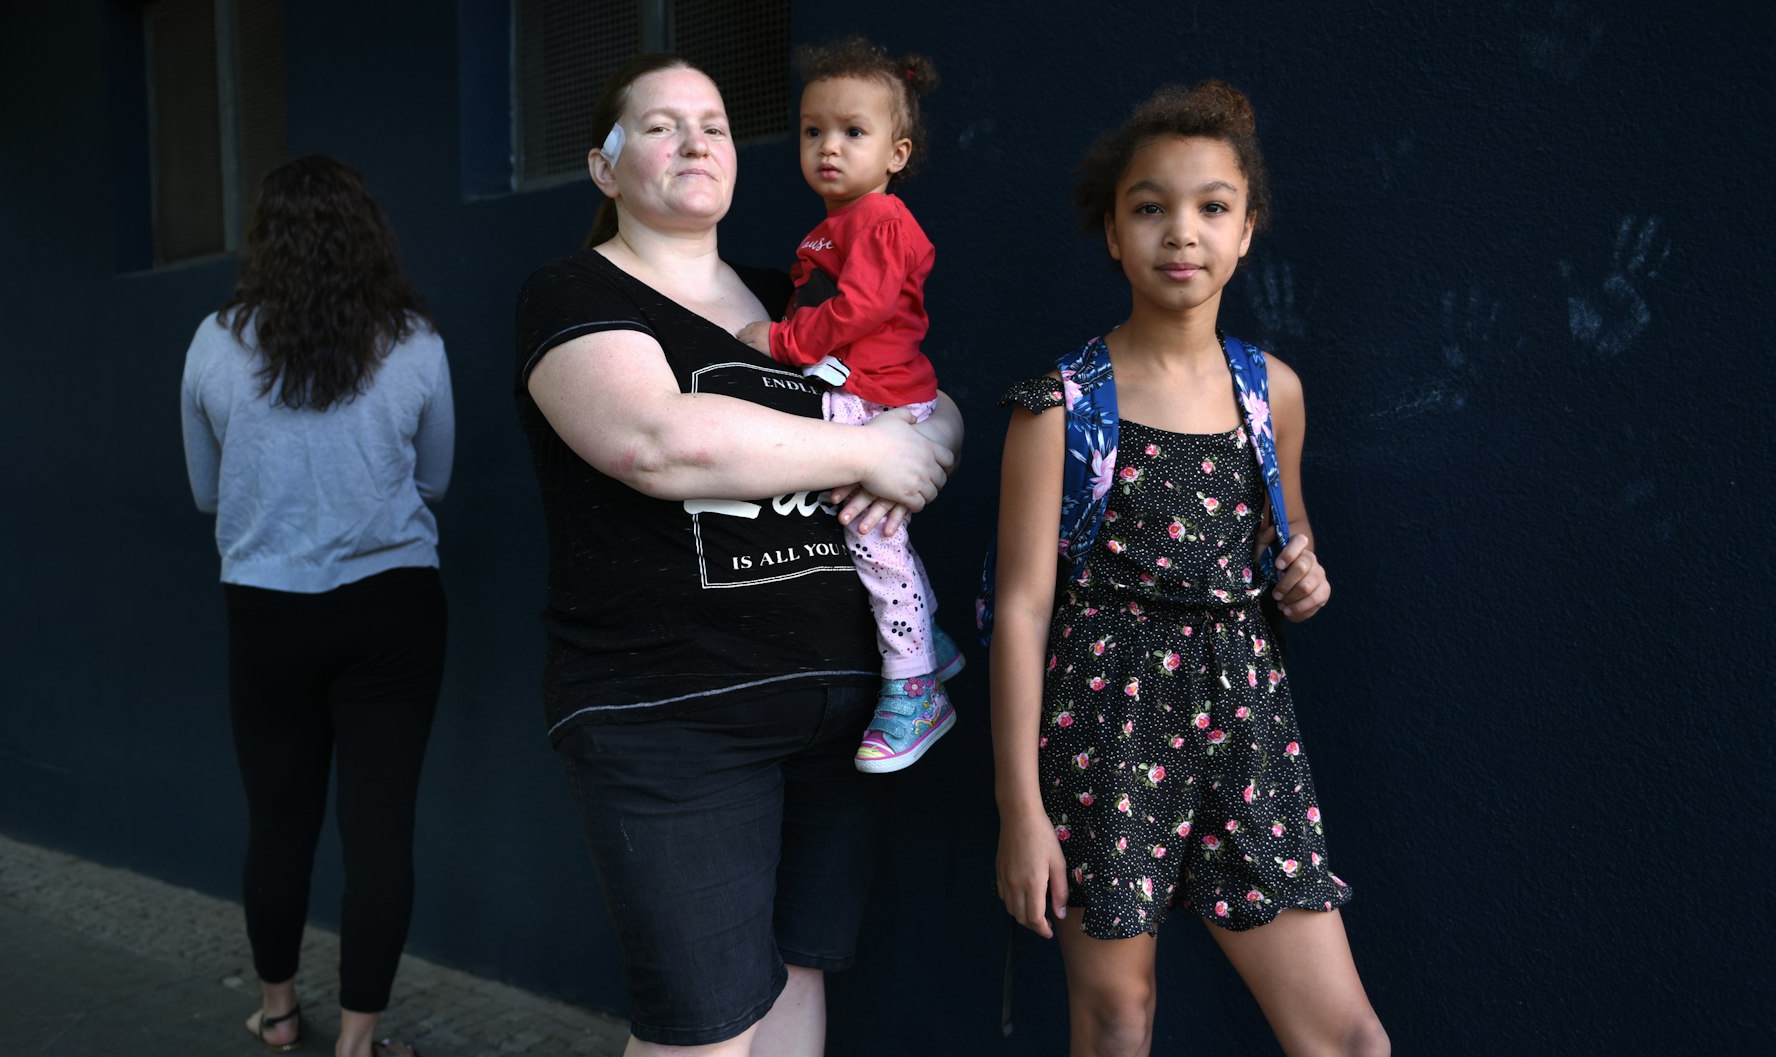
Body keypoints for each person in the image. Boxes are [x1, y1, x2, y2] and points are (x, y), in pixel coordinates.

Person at [512, 54, 962, 1057]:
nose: (696, 141)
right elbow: (653, 441)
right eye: (661, 125)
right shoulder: (572, 292)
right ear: (604, 168)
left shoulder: (787, 299)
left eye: (713, 124)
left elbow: (915, 397)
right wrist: (871, 453)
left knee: (795, 980)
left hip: (839, 711)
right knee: (704, 1031)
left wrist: (929, 438)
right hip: (673, 716)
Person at [989, 83, 1390, 1056]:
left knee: (1347, 1036)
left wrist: (1303, 576)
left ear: (1246, 231)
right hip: (1104, 725)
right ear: (1112, 233)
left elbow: (1284, 541)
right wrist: (1019, 812)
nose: (1181, 231)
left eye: (1212, 206)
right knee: (1117, 1017)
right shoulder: (1059, 405)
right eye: (1148, 206)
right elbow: (1021, 609)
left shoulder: (1270, 392)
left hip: (1246, 719)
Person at [181, 155, 452, 1057]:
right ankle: (359, 1041)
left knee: (278, 823)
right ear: (369, 234)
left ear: (264, 240)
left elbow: (206, 491)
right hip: (394, 611)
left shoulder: (213, 342)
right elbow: (437, 477)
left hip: (267, 612)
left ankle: (280, 1012)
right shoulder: (414, 340)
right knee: (380, 834)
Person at [733, 37, 959, 774]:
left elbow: (860, 309)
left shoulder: (882, 220)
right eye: (814, 130)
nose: (829, 146)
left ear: (897, 153)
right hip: (866, 397)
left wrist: (780, 339)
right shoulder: (841, 224)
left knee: (872, 539)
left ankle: (916, 685)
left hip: (882, 403)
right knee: (874, 531)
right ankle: (928, 637)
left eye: (853, 132)